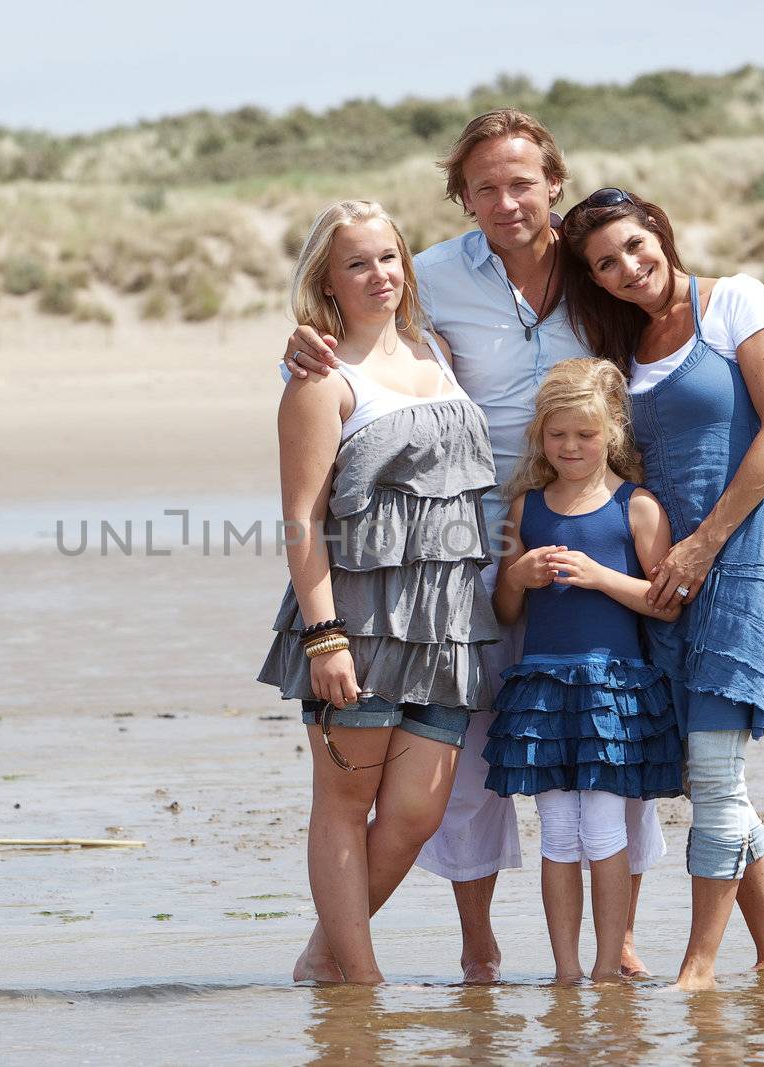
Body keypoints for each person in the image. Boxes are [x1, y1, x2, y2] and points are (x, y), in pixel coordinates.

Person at [284, 109, 663, 982]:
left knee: (614, 729)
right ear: (461, 197)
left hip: (590, 529)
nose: (506, 201)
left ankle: (620, 941)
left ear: (554, 183)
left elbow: (667, 312)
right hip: (461, 559)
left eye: (521, 182)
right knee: (469, 762)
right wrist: (300, 341)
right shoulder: (438, 278)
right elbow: (340, 373)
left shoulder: (601, 268)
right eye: (484, 186)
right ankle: (473, 943)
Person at [561, 187, 764, 990]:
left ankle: (698, 967)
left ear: (660, 231)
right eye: (606, 263)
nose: (629, 268)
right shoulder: (623, 349)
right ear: (594, 280)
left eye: (635, 245)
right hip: (667, 572)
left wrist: (706, 543)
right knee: (716, 771)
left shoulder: (735, 299)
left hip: (741, 555)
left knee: (712, 773)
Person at [257, 199, 500, 984]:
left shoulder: (438, 349)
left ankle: (322, 958)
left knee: (417, 812)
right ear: (327, 281)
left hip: (447, 619)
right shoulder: (321, 380)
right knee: (344, 803)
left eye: (389, 257)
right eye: (356, 262)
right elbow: (302, 519)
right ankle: (361, 986)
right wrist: (323, 635)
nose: (379, 275)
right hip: (357, 618)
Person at [486, 358, 685, 983]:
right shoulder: (526, 508)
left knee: (603, 827)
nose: (571, 447)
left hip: (613, 690)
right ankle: (566, 970)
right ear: (541, 436)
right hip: (542, 690)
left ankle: (606, 967)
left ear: (612, 434)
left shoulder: (638, 506)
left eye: (586, 434)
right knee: (556, 833)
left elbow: (666, 603)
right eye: (557, 435)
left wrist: (600, 577)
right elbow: (506, 609)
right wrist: (516, 576)